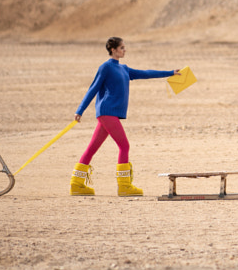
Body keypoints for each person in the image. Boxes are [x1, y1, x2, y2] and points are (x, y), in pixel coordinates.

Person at [69, 37, 179, 197]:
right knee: (124, 145)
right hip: (107, 112)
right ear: (113, 50)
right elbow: (93, 89)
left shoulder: (124, 69)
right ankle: (124, 186)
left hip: (110, 114)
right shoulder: (105, 67)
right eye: (122, 48)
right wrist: (80, 110)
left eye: (124, 47)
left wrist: (170, 73)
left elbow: (146, 73)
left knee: (92, 147)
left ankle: (76, 184)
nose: (124, 50)